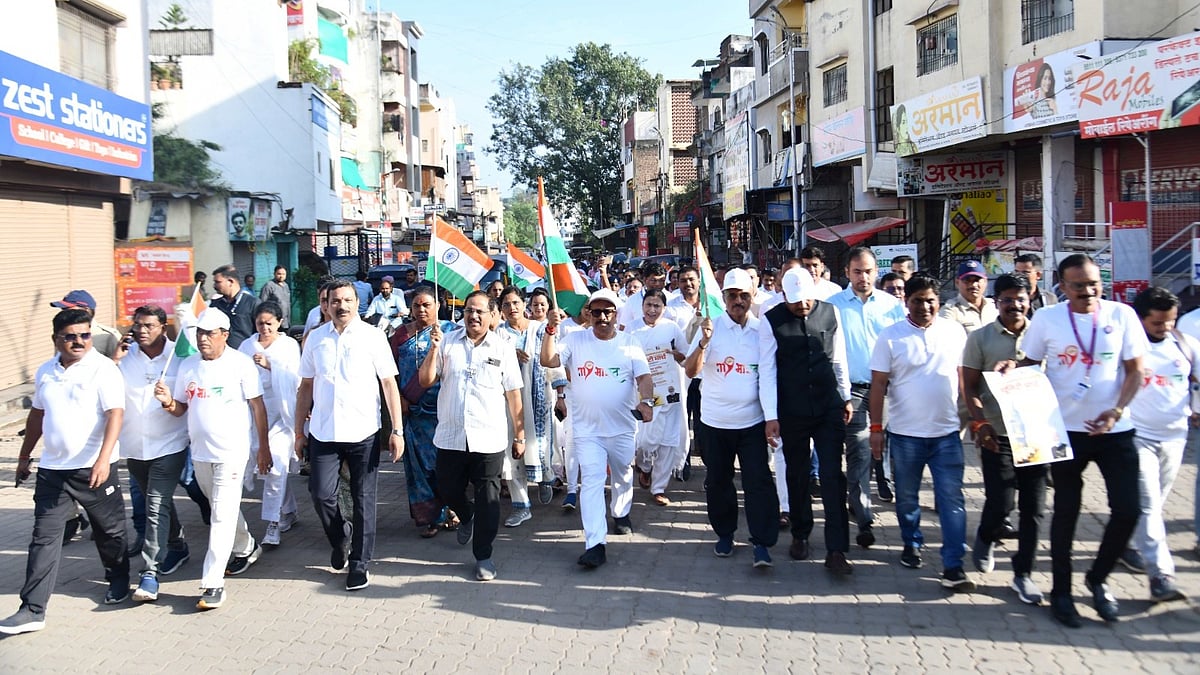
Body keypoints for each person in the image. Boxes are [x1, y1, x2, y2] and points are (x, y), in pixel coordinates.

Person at [1015, 253, 1145, 626]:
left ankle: (1098, 578)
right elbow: (1029, 364)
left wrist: (1118, 410)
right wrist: (1013, 368)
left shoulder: (1122, 316)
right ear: (1061, 285)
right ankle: (1061, 592)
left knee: (1128, 510)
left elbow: (1135, 371)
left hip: (1115, 430)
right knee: (1066, 515)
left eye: (1094, 283)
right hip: (1064, 431)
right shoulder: (1047, 318)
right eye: (1078, 285)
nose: (1088, 291)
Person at [0, 309, 128, 635]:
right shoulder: (46, 372)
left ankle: (118, 578)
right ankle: (32, 609)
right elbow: (37, 418)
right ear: (55, 339)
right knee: (43, 538)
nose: (78, 341)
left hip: (93, 469)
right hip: (53, 470)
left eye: (84, 335)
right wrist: (25, 455)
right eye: (70, 336)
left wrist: (103, 460)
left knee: (109, 531)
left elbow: (115, 414)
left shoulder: (103, 369)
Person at [295, 280, 406, 591]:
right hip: (323, 431)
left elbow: (388, 385)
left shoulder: (372, 337)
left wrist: (396, 430)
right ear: (325, 304)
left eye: (346, 300)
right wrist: (298, 433)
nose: (341, 306)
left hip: (363, 431)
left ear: (357, 303)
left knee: (363, 499)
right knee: (320, 494)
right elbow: (305, 387)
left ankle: (359, 563)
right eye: (334, 301)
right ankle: (339, 537)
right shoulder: (315, 339)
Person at [157, 308, 270, 610]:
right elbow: (181, 407)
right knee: (222, 507)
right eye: (199, 333)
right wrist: (168, 402)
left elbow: (258, 408)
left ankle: (212, 583)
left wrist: (263, 448)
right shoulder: (188, 366)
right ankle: (247, 547)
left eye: (209, 333)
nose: (203, 339)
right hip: (201, 453)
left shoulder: (240, 365)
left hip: (232, 451)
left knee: (220, 515)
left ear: (224, 334)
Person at [868, 275, 975, 592]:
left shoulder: (954, 333)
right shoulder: (891, 337)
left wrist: (976, 418)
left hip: (946, 436)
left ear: (939, 302)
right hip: (904, 436)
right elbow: (878, 386)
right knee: (908, 499)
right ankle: (911, 542)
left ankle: (953, 564)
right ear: (907, 302)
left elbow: (964, 380)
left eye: (931, 300)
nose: (925, 306)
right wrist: (876, 428)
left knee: (951, 499)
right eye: (918, 301)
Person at [541, 289, 654, 569]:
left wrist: (648, 402)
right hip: (586, 429)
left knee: (623, 474)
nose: (602, 317)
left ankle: (621, 511)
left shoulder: (630, 343)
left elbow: (644, 377)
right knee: (590, 482)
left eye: (608, 312)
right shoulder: (575, 340)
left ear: (616, 314)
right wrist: (550, 330)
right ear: (588, 314)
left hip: (622, 427)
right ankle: (595, 543)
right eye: (596, 312)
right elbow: (549, 361)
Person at [419, 291, 525, 581]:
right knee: (447, 488)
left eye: (480, 311)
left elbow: (513, 393)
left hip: (488, 436)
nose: (474, 316)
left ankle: (484, 555)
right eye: (469, 310)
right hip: (451, 435)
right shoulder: (447, 341)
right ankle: (466, 516)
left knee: (488, 497)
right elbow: (425, 380)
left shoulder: (502, 347)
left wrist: (520, 434)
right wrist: (432, 349)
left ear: (492, 316)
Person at [961, 274, 1048, 605]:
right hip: (996, 433)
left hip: (1037, 434)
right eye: (1007, 299)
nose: (1015, 305)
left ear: (1030, 300)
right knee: (1001, 502)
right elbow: (968, 385)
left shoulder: (1043, 335)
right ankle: (985, 536)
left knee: (1034, 508)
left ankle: (1023, 573)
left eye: (1021, 299)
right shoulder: (980, 338)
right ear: (996, 302)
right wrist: (979, 421)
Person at [761, 268, 854, 574]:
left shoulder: (830, 312)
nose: (802, 306)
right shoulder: (771, 319)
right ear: (784, 295)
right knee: (798, 474)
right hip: (792, 408)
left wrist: (847, 396)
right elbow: (768, 370)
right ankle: (801, 533)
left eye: (806, 300)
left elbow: (839, 358)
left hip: (828, 406)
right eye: (795, 300)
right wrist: (771, 416)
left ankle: (837, 548)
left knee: (831, 475)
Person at [684, 269, 778, 568]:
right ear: (723, 298)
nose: (738, 301)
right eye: (733, 296)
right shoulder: (709, 328)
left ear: (753, 297)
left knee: (758, 483)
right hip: (714, 422)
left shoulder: (762, 329)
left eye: (744, 296)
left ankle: (762, 542)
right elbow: (690, 371)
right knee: (719, 482)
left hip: (751, 422)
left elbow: (769, 376)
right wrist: (703, 343)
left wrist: (772, 418)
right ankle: (724, 534)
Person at [113, 305, 191, 603]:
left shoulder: (179, 357)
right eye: (137, 325)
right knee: (154, 500)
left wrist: (170, 401)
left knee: (155, 505)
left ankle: (149, 572)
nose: (141, 331)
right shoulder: (124, 357)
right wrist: (115, 360)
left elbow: (185, 403)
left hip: (169, 443)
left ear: (162, 326)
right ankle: (177, 545)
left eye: (148, 326)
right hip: (134, 446)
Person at [828, 248, 907, 541]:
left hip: (889, 389)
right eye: (857, 271)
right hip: (853, 391)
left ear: (877, 271)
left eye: (869, 271)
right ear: (847, 272)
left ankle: (880, 493)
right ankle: (863, 513)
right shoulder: (832, 305)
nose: (863, 277)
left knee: (885, 448)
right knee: (860, 450)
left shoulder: (891, 306)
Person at [1123, 287, 1193, 603]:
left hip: (1176, 438)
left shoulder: (1185, 345)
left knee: (1154, 502)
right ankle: (1161, 575)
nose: (1165, 328)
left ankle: (1127, 544)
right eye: (1157, 323)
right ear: (1140, 320)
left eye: (1170, 321)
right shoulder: (1128, 347)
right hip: (1138, 437)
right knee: (1149, 505)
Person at [390, 286, 459, 538]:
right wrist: (399, 399)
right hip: (414, 413)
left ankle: (452, 508)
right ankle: (431, 518)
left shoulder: (451, 332)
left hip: (444, 411)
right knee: (419, 468)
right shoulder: (400, 335)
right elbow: (389, 373)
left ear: (437, 306)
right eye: (417, 305)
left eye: (426, 305)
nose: (421, 310)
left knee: (445, 465)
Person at [498, 287, 566, 523]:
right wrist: (509, 354)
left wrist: (561, 394)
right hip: (509, 403)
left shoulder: (539, 329)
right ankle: (521, 505)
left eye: (515, 302)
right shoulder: (498, 334)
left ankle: (547, 477)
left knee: (542, 446)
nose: (512, 308)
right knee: (512, 451)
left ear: (523, 303)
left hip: (540, 398)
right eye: (506, 304)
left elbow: (553, 359)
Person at [238, 301, 301, 546]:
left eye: (269, 323)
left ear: (279, 322)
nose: (264, 328)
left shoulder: (288, 345)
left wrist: (270, 365)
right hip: (254, 413)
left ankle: (272, 522)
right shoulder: (246, 346)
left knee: (275, 461)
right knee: (265, 466)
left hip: (283, 413)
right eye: (260, 323)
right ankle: (289, 509)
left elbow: (297, 378)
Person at [629, 289, 688, 505]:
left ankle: (659, 487)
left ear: (664, 308)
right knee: (647, 440)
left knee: (669, 441)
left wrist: (679, 356)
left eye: (657, 306)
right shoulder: (633, 330)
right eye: (649, 305)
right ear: (642, 306)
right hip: (646, 394)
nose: (652, 310)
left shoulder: (671, 328)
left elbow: (686, 357)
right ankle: (644, 466)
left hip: (669, 392)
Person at [51, 289, 122, 358]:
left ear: (86, 310)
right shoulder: (62, 333)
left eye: (68, 309)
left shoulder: (108, 336)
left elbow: (119, 365)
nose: (65, 313)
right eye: (63, 310)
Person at [940, 260, 997, 334]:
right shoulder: (950, 311)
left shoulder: (994, 306)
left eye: (977, 280)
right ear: (957, 282)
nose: (973, 285)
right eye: (967, 280)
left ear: (985, 282)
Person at [210, 264, 260, 349]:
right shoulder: (215, 305)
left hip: (245, 355)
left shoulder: (252, 303)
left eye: (218, 282)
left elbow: (261, 332)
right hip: (220, 355)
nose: (214, 286)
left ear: (230, 282)